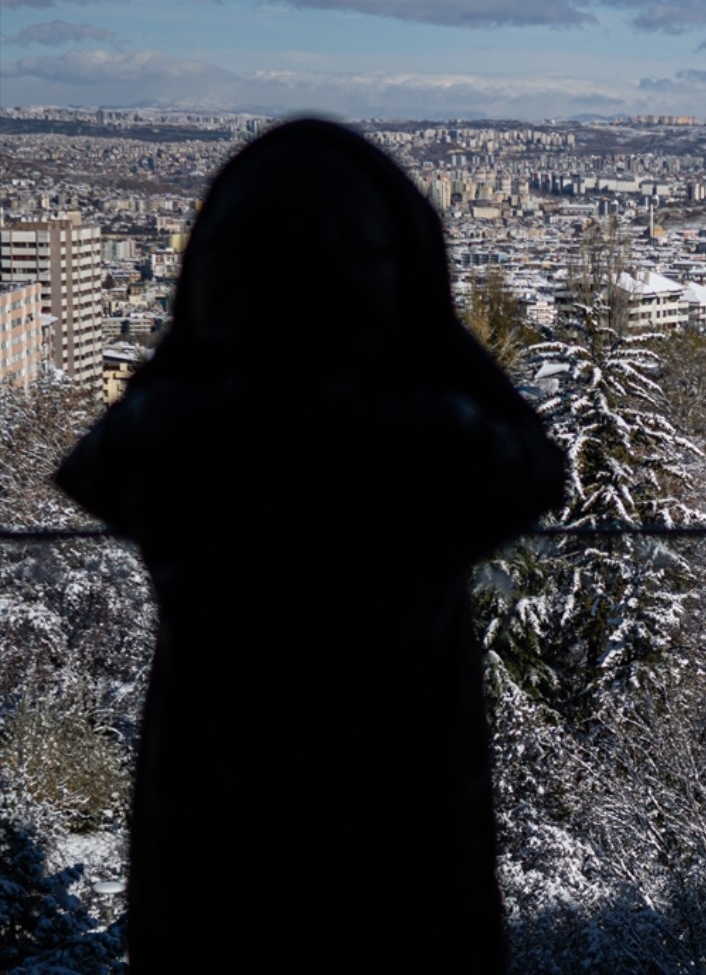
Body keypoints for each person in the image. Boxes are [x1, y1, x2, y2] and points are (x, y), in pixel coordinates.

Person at [55, 119, 564, 972]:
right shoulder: (427, 455)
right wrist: (430, 319)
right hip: (404, 864)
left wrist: (200, 339)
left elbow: (102, 460)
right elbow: (534, 469)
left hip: (212, 870)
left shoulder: (177, 446)